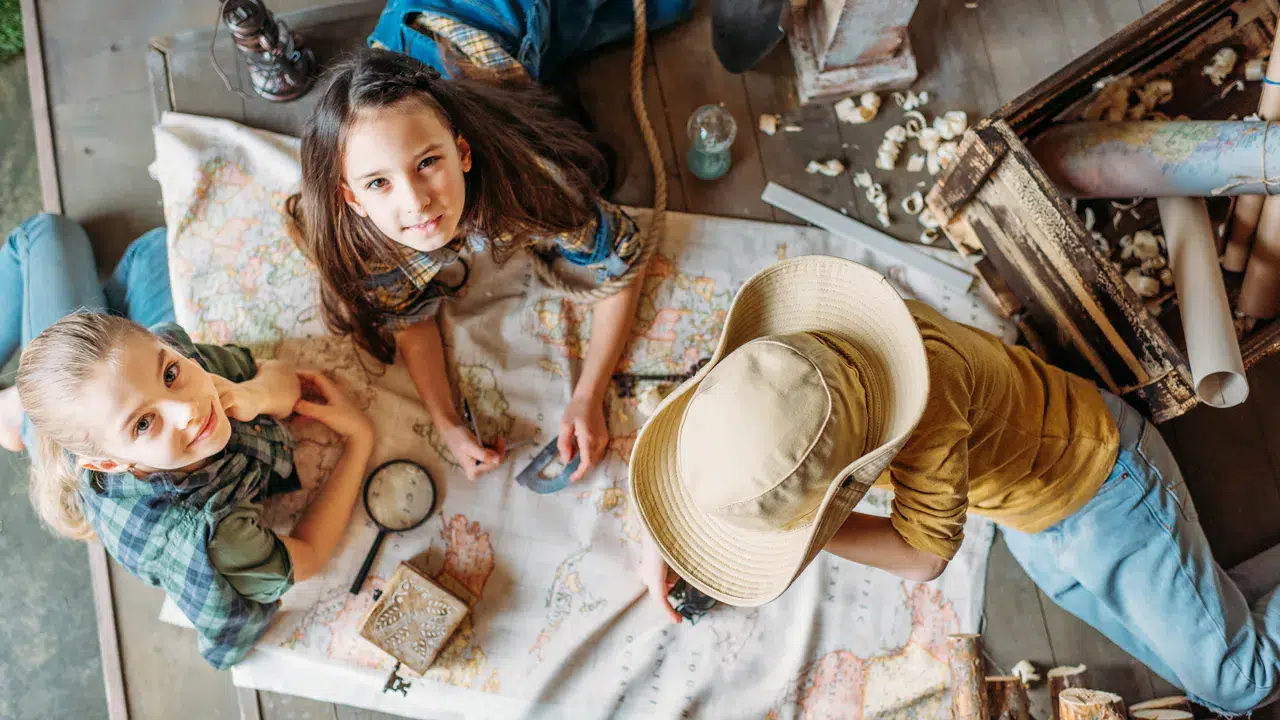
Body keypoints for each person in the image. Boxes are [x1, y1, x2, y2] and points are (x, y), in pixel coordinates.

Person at [629, 254, 1280, 715]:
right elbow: (725, 416)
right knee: (1197, 662)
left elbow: (924, 556)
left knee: (1237, 687)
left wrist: (806, 536)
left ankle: (1226, 628)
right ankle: (1225, 614)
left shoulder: (928, 408)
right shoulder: (800, 353)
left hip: (1106, 485)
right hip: (1030, 511)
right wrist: (686, 529)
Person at [2, 214, 375, 669]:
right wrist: (358, 441)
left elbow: (280, 378)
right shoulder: (216, 535)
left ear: (165, 347)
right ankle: (21, 412)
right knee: (37, 236)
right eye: (143, 424)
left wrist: (248, 395)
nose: (188, 410)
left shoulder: (177, 362)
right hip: (86, 429)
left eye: (170, 373)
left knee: (142, 244)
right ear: (110, 465)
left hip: (107, 381)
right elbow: (310, 556)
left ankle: (73, 383)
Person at [293, 48, 647, 482]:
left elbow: (622, 261)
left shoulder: (529, 179)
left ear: (463, 153)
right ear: (354, 199)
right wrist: (448, 423)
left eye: (427, 163)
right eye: (379, 183)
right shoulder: (361, 241)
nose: (415, 202)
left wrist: (588, 396)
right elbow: (410, 316)